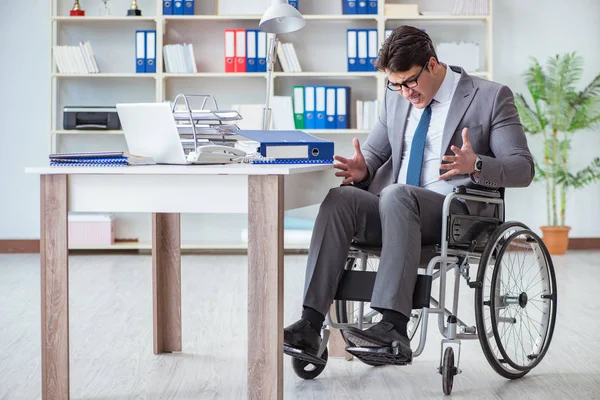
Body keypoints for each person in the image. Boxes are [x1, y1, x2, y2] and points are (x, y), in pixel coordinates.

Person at [283, 25, 534, 362]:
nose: (404, 93)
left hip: (452, 214)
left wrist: (476, 164)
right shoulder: (395, 99)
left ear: (432, 64)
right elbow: (374, 154)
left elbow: (522, 168)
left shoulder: (490, 97)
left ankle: (393, 327)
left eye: (410, 82)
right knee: (341, 197)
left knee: (398, 195)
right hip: (392, 208)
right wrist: (364, 169)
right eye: (395, 84)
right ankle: (311, 326)